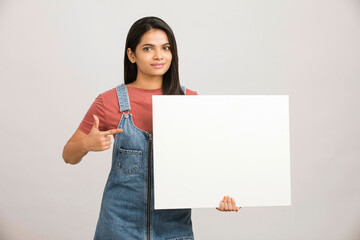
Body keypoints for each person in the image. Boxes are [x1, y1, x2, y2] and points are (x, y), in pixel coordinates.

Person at [62, 16, 241, 240]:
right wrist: (86, 144)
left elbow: (208, 163)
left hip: (174, 229)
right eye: (148, 48)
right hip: (118, 227)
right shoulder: (109, 101)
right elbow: (68, 155)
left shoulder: (190, 101)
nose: (159, 56)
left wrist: (223, 195)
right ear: (131, 55)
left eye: (165, 48)